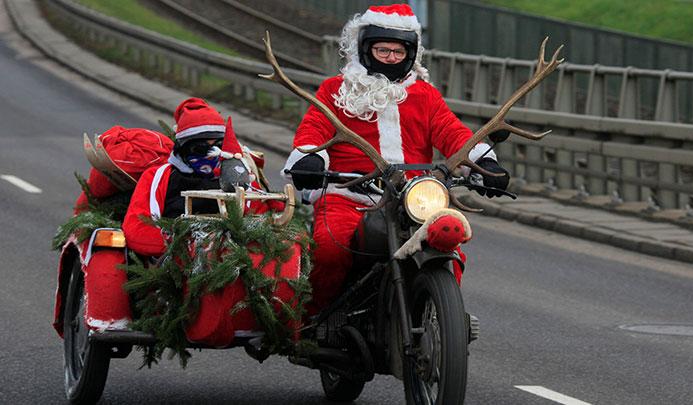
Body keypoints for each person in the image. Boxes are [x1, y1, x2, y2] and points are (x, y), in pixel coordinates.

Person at [282, 4, 510, 312]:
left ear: (411, 53)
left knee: (449, 240)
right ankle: (316, 317)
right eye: (382, 50)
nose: (391, 58)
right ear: (365, 49)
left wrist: (485, 163)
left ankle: (439, 315)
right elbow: (314, 131)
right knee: (329, 247)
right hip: (349, 194)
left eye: (398, 52)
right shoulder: (337, 90)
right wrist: (309, 161)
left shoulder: (425, 95)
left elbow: (452, 132)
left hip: (415, 198)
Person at [122, 97, 256, 257]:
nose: (210, 154)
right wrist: (188, 244)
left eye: (218, 146)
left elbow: (263, 214)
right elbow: (136, 227)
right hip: (173, 261)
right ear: (182, 148)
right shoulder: (159, 176)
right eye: (201, 148)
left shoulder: (235, 175)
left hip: (230, 259)